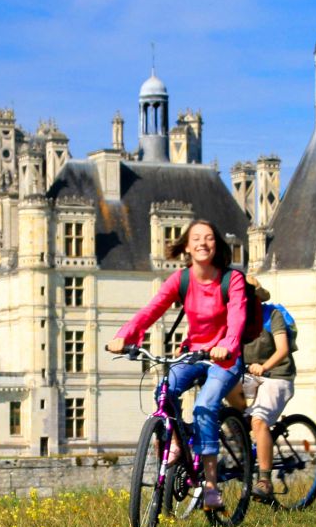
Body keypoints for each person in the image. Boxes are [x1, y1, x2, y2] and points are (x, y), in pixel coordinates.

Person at [105, 219, 247, 511]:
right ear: (186, 246)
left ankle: (210, 486)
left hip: (225, 357)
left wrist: (227, 345)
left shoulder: (231, 280)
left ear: (217, 245)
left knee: (205, 406)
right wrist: (124, 336)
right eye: (196, 238)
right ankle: (178, 443)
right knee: (164, 390)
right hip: (193, 353)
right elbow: (151, 310)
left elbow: (237, 318)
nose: (202, 243)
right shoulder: (181, 280)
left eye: (208, 238)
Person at [228, 279, 295, 499]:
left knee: (259, 420)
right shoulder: (235, 318)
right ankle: (246, 456)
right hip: (248, 376)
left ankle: (265, 480)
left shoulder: (271, 315)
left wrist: (265, 366)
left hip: (276, 376)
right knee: (229, 414)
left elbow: (283, 349)